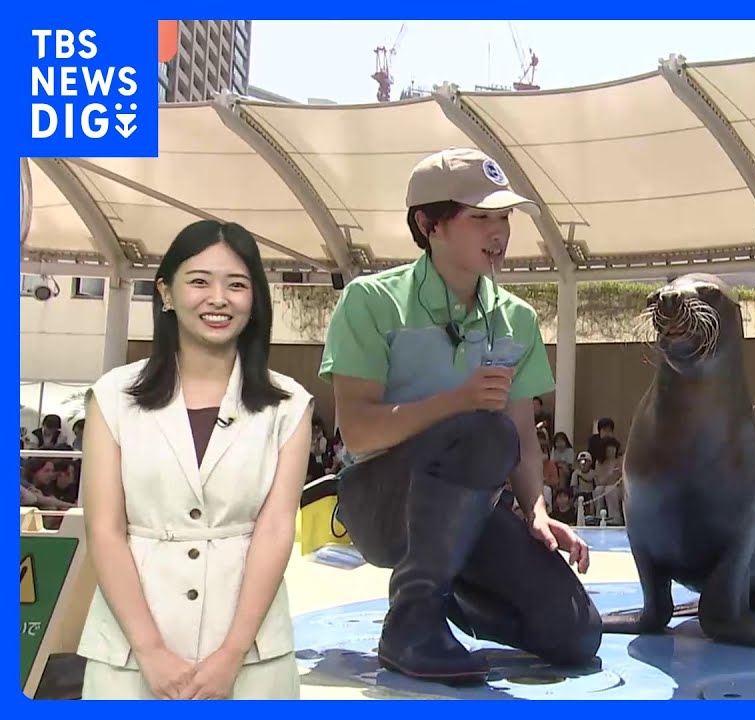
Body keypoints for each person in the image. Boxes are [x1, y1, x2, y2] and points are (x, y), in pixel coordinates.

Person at [319, 147, 601, 686]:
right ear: (429, 225)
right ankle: (412, 619)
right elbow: (357, 430)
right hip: (382, 504)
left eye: (504, 218)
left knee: (576, 635)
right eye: (481, 218)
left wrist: (536, 512)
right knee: (480, 430)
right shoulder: (371, 300)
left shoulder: (515, 317)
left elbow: (522, 432)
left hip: (471, 508)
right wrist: (456, 402)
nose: (499, 232)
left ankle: (442, 593)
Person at [77, 220, 313, 699]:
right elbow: (104, 528)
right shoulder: (112, 397)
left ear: (255, 299)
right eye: (200, 281)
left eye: (237, 284)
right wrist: (150, 651)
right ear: (165, 291)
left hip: (251, 657)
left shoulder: (289, 404)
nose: (219, 298)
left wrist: (231, 654)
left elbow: (275, 530)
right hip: (130, 655)